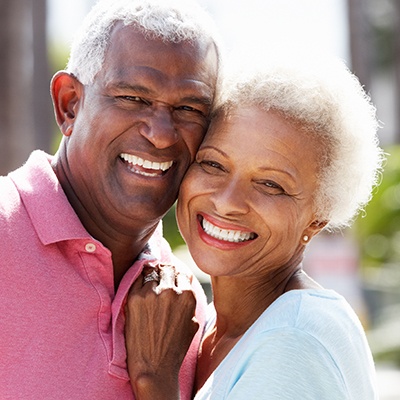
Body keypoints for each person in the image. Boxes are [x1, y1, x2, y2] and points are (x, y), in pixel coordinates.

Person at [125, 52, 384, 399]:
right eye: (213, 164)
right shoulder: (216, 324)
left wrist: (155, 381)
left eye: (270, 185)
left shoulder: (294, 340)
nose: (227, 202)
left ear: (318, 218)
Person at [0, 0, 221, 399]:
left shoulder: (185, 304)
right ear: (69, 104)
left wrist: (159, 383)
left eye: (189, 108)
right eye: (133, 98)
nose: (161, 133)